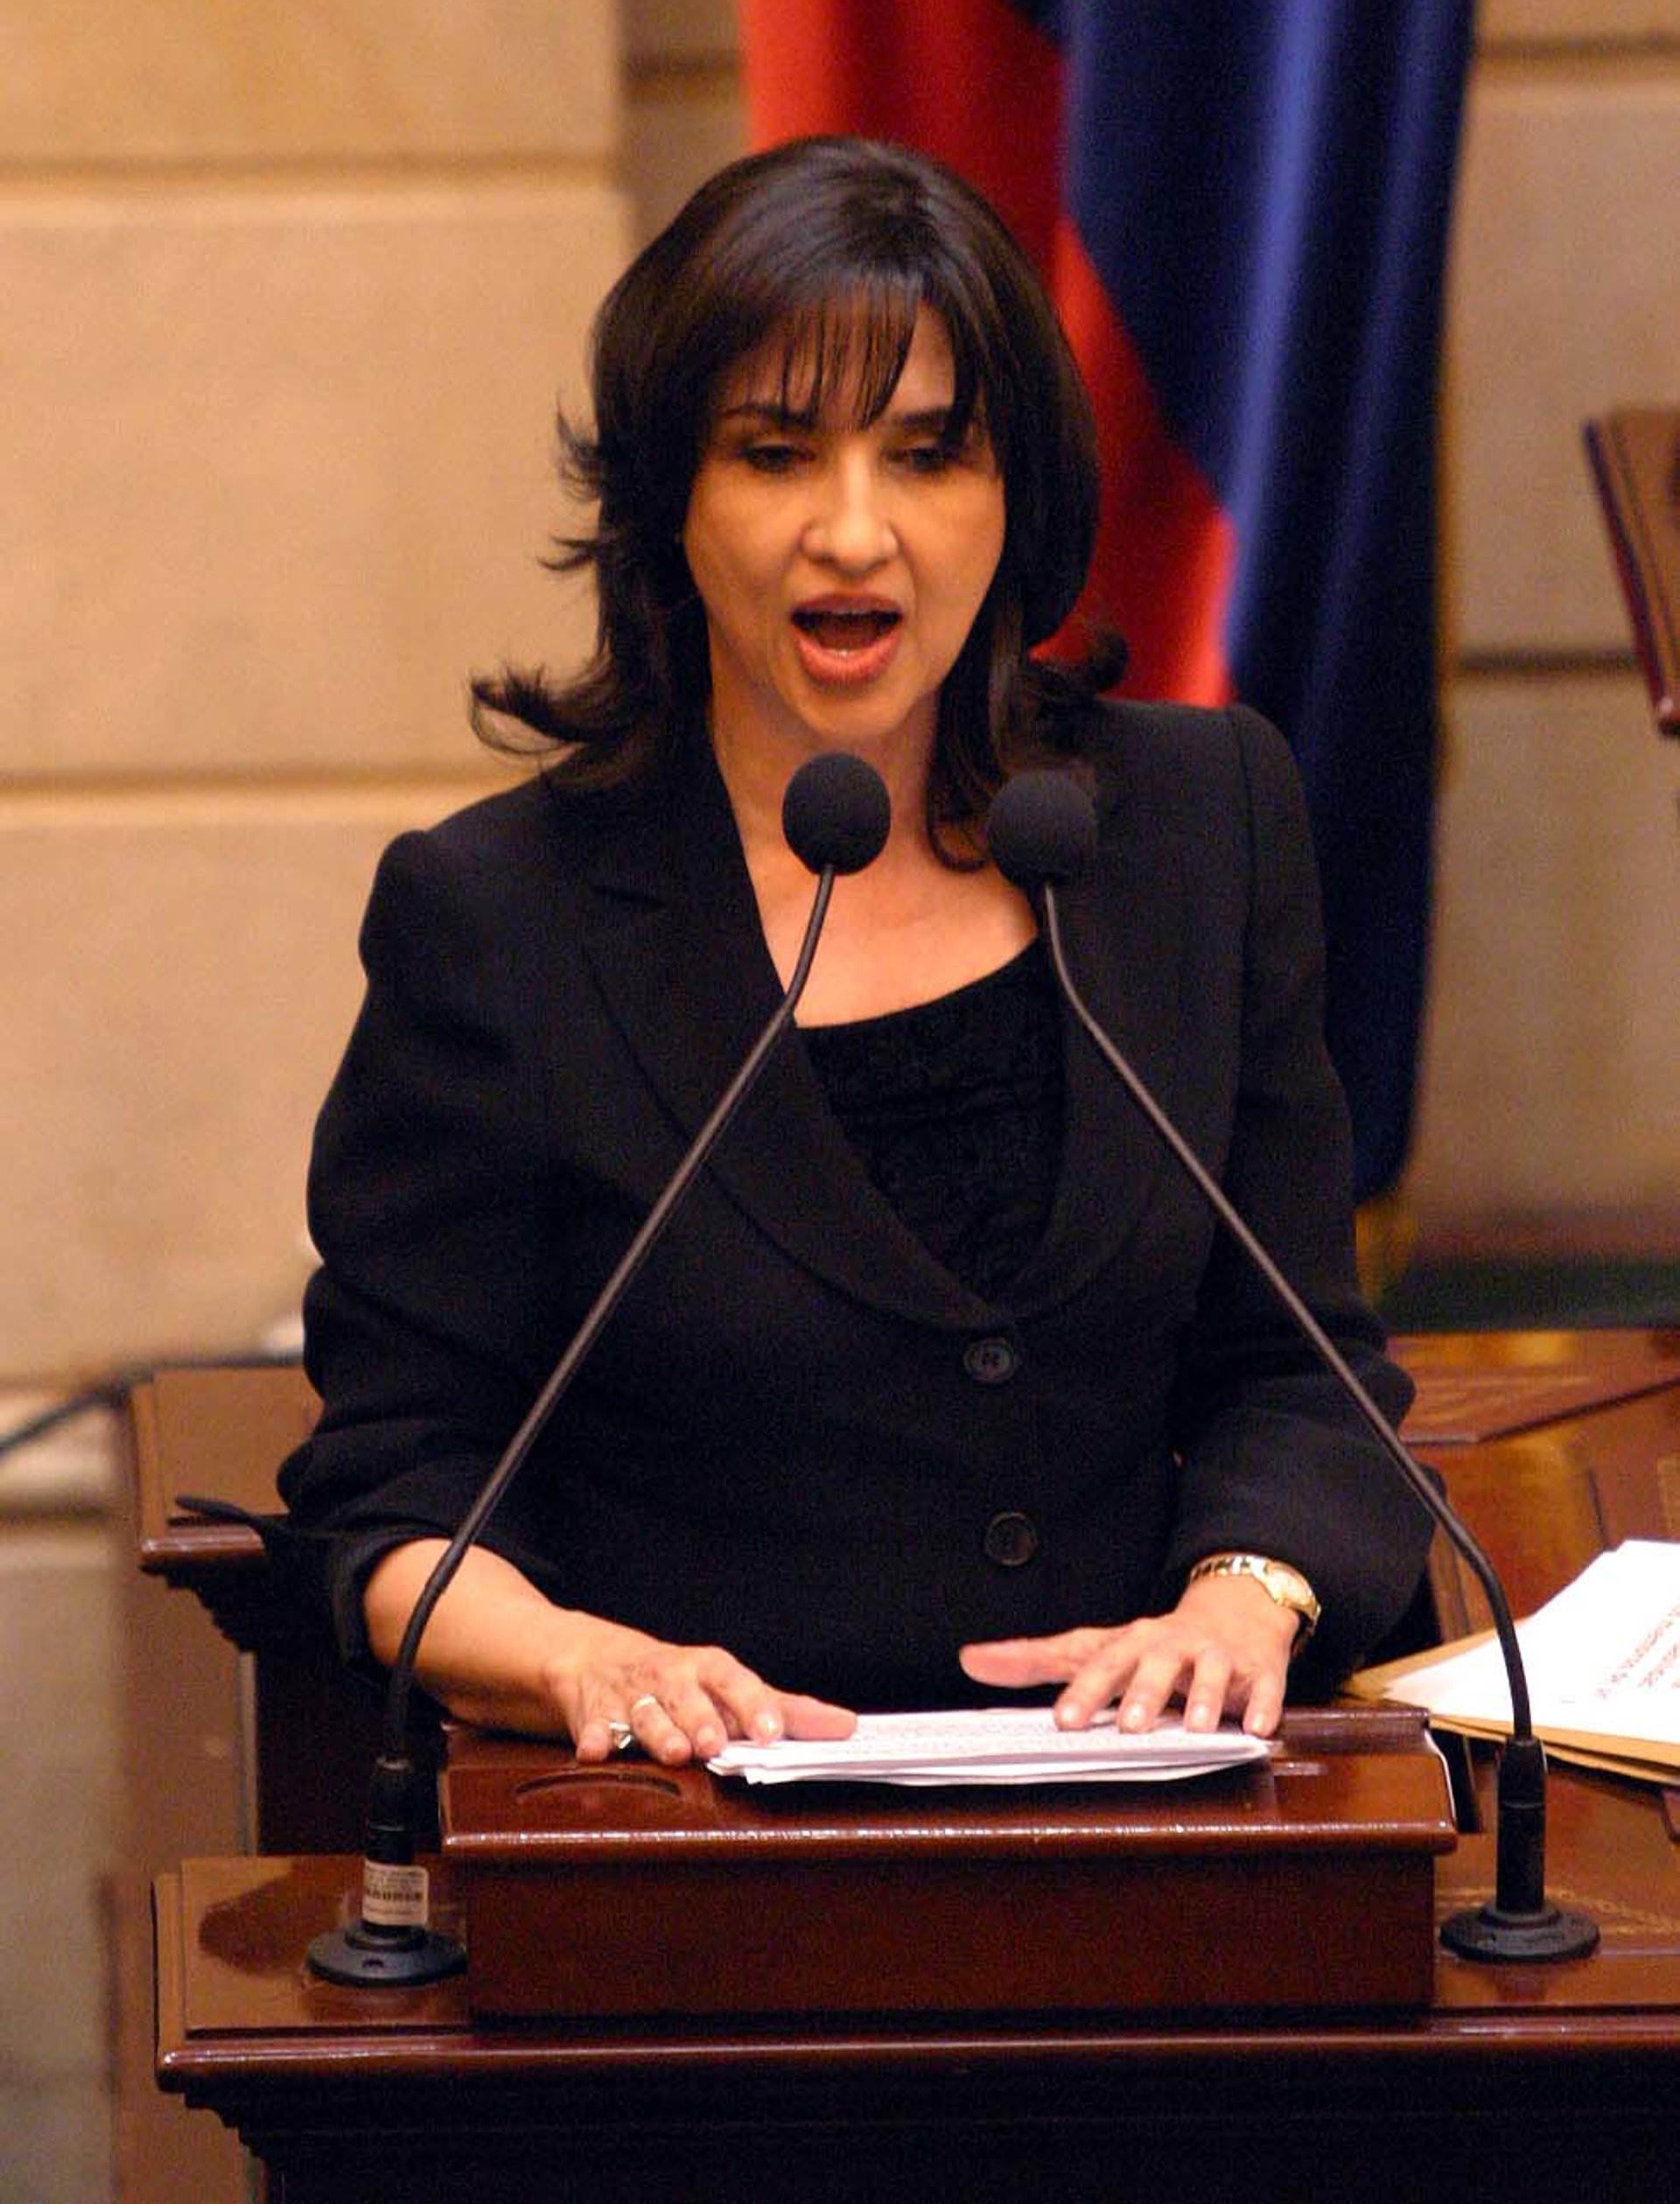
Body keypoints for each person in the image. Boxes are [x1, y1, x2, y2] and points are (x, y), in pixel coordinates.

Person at [279, 135, 1429, 1769]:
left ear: (1016, 497)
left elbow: (1303, 1368)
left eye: (928, 456)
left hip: (1148, 1810)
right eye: (775, 454)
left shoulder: (1193, 827)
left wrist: (1242, 1602)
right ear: (670, 503)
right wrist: (577, 1662)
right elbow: (394, 1490)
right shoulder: (503, 920)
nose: (854, 532)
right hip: (699, 1842)